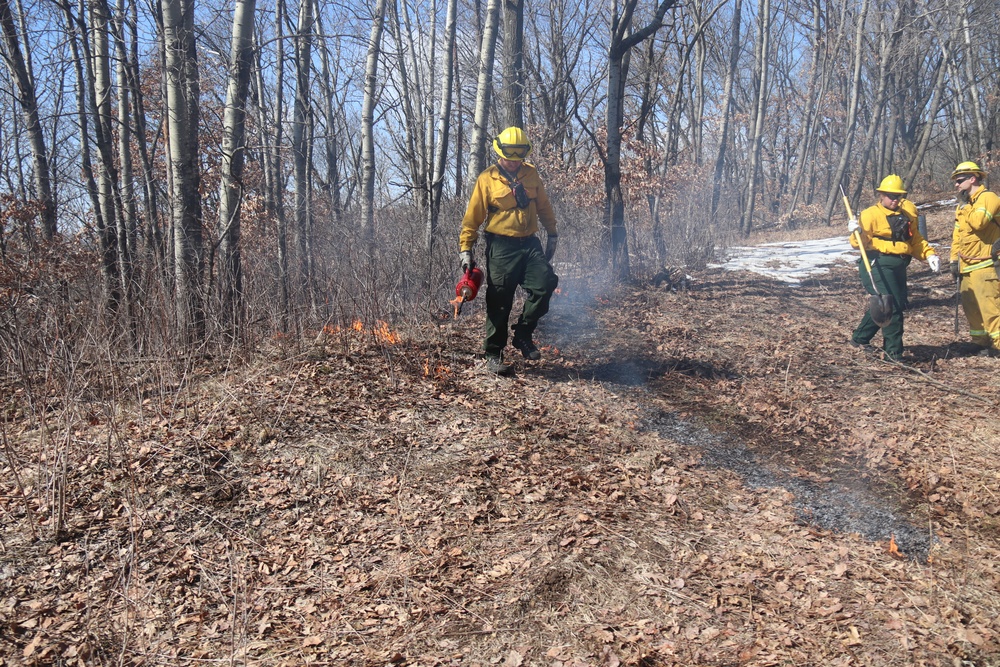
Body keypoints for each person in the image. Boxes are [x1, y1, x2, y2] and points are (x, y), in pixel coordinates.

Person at [459, 126, 559, 375]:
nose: (514, 163)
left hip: (530, 244)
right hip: (501, 247)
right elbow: (472, 218)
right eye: (509, 158)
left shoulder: (532, 175)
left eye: (518, 159)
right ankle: (494, 354)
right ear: (499, 153)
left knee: (545, 283)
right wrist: (466, 249)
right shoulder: (487, 179)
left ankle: (523, 334)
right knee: (499, 301)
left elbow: (544, 206)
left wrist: (552, 232)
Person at [848, 174, 940, 361]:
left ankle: (860, 338)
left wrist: (929, 254)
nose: (895, 200)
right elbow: (858, 243)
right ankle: (893, 353)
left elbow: (915, 240)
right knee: (892, 305)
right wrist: (856, 231)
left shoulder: (907, 214)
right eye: (890, 195)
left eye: (898, 196)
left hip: (900, 264)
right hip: (877, 263)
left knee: (888, 304)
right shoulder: (870, 214)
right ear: (881, 195)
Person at [949, 161, 1000, 356]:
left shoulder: (988, 198)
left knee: (991, 307)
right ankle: (980, 341)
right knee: (972, 307)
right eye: (955, 181)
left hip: (986, 264)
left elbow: (978, 223)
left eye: (960, 180)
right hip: (967, 265)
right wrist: (954, 260)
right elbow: (958, 235)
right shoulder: (965, 205)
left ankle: (998, 345)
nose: (956, 184)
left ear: (973, 179)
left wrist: (965, 207)